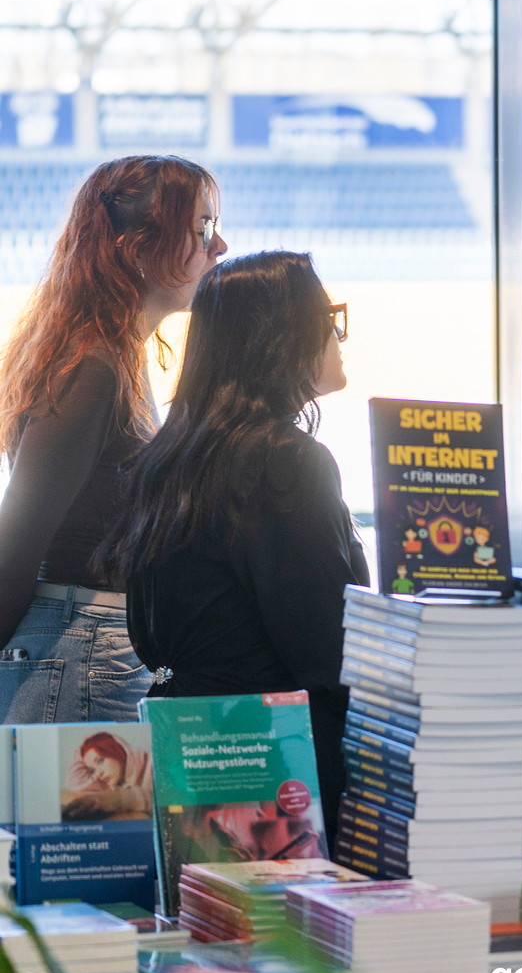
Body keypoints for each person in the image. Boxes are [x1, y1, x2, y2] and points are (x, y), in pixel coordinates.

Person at [104, 251, 368, 844]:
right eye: (327, 317)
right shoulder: (283, 461)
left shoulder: (172, 458)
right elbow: (324, 649)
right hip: (278, 770)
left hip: (193, 750)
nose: (337, 334)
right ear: (281, 337)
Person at [0, 155, 226, 724]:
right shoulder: (91, 365)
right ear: (136, 247)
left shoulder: (114, 355)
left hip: (93, 646)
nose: (220, 246)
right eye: (202, 229)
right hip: (81, 648)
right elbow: (18, 543)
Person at [63, 729, 154, 820]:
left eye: (100, 761)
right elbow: (73, 782)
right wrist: (84, 746)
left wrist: (119, 798)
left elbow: (157, 799)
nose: (98, 773)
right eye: (92, 771)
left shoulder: (153, 764)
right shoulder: (116, 782)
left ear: (116, 750)